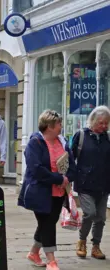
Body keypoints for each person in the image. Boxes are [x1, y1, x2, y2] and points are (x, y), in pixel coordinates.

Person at [18, 110, 77, 270]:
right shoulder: (35, 143)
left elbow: (72, 165)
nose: (61, 127)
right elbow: (36, 169)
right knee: (47, 224)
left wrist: (67, 178)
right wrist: (59, 179)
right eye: (58, 124)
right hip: (40, 192)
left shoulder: (62, 142)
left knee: (48, 222)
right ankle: (51, 260)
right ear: (49, 126)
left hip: (59, 192)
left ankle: (34, 253)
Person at [71, 106, 110, 260]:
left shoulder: (108, 138)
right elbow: (70, 158)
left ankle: (96, 246)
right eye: (101, 123)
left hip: (104, 184)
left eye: (107, 123)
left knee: (100, 217)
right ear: (93, 121)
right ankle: (82, 241)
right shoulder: (81, 136)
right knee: (89, 213)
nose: (104, 126)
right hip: (85, 183)